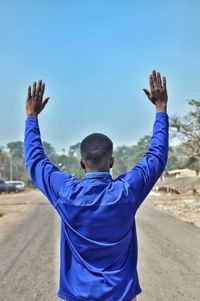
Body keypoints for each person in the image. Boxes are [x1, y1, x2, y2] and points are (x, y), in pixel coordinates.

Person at [24, 70, 168, 301]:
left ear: (82, 162)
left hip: (78, 295)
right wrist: (160, 109)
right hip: (120, 294)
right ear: (111, 162)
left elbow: (36, 160)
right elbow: (156, 156)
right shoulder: (127, 191)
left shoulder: (67, 193)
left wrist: (32, 117)